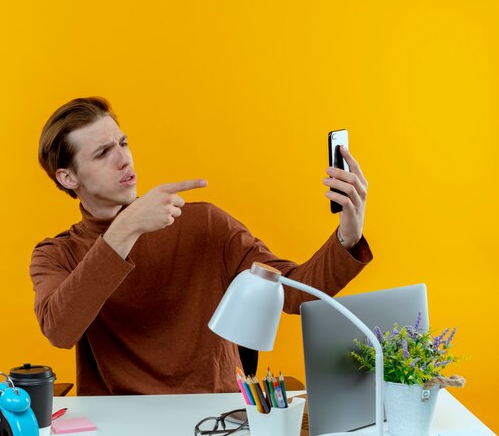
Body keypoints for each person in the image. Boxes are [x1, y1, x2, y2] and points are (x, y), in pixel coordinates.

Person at [30, 97, 372, 396]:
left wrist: (349, 234)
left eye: (123, 143)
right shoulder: (56, 254)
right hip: (118, 417)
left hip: (212, 413)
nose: (124, 159)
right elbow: (60, 330)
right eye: (103, 153)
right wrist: (127, 227)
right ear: (68, 178)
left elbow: (298, 293)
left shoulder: (204, 224)